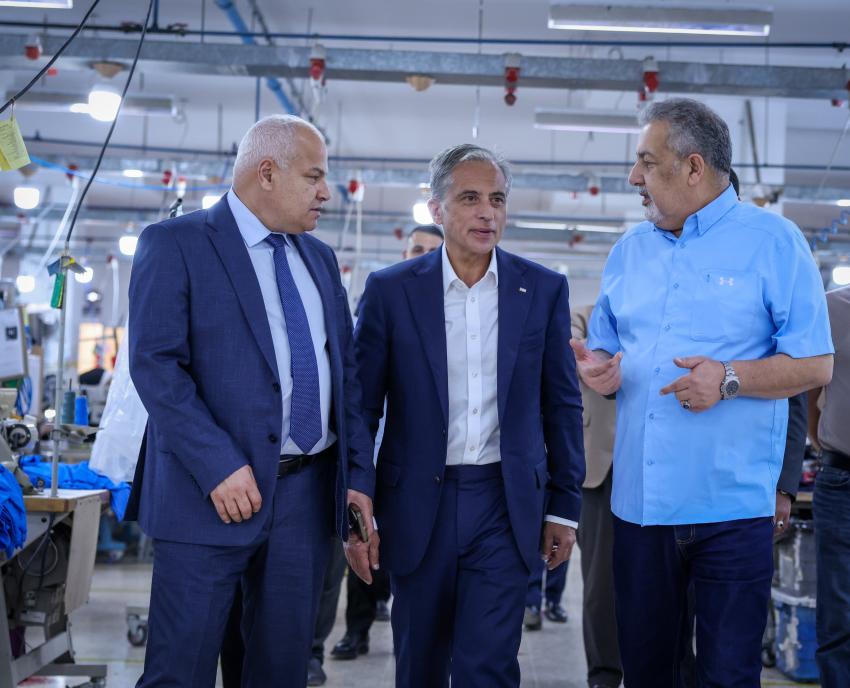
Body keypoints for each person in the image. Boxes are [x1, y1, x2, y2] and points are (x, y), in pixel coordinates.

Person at [572, 98, 833, 687]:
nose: (633, 177)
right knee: (647, 672)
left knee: (727, 675)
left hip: (731, 509)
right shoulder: (629, 251)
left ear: (693, 167)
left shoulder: (774, 241)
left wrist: (730, 378)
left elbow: (816, 364)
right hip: (639, 509)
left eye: (646, 162)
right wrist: (602, 373)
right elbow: (609, 354)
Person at [126, 114, 378, 688]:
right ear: (267, 172)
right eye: (314, 176)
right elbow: (156, 365)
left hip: (303, 500)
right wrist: (217, 464)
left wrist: (356, 478)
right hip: (206, 495)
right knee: (180, 671)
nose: (326, 192)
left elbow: (347, 380)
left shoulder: (318, 259)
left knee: (279, 672)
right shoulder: (176, 244)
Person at [355, 143, 585, 687]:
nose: (487, 213)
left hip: (504, 504)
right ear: (437, 209)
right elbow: (362, 407)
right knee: (420, 663)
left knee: (489, 666)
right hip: (417, 503)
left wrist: (565, 507)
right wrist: (357, 506)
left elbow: (561, 402)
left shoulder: (542, 289)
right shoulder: (391, 292)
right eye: (470, 198)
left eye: (497, 199)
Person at [331, 223, 445, 665]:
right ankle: (356, 629)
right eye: (416, 248)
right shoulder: (385, 297)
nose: (422, 256)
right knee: (365, 539)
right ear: (404, 252)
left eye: (431, 250)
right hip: (374, 452)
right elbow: (362, 385)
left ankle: (405, 623)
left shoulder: (451, 312)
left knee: (411, 547)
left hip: (418, 460)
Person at [808, 284, 850, 687]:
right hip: (841, 481)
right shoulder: (831, 307)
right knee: (838, 615)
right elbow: (808, 387)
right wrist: (823, 442)